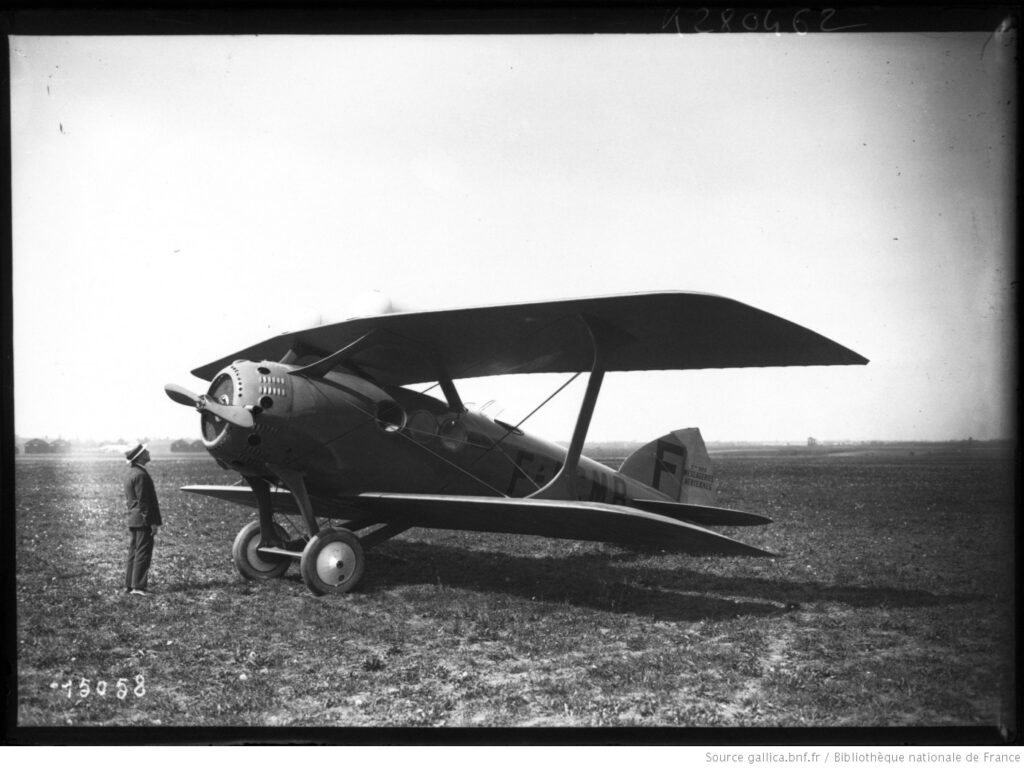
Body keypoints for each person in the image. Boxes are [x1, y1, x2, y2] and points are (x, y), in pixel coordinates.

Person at [123, 443, 162, 595]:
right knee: (143, 552)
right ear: (140, 456)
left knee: (134, 552)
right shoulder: (141, 475)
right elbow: (144, 502)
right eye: (146, 451)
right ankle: (138, 587)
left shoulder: (130, 473)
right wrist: (151, 522)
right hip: (142, 520)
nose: (149, 452)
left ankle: (130, 585)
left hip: (134, 518)